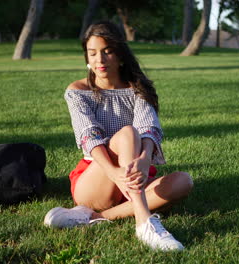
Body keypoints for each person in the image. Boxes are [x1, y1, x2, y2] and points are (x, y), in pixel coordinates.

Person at [44, 21, 193, 251]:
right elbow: (88, 135)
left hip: (132, 180)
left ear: (120, 54)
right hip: (97, 178)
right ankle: (144, 223)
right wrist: (114, 173)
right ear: (86, 56)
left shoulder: (138, 89)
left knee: (183, 181)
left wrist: (144, 160)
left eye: (107, 52)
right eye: (92, 53)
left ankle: (96, 217)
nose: (99, 60)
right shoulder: (77, 91)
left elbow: (149, 128)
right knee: (127, 133)